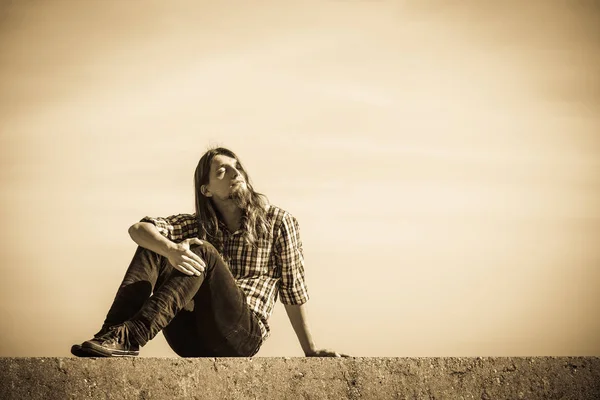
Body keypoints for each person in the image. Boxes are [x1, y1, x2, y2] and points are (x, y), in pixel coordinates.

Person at [71, 147, 345, 358]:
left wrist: (311, 349)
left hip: (241, 335)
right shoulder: (196, 224)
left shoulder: (278, 222)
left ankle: (132, 336)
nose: (236, 173)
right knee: (157, 244)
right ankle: (112, 334)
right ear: (207, 190)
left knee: (201, 250)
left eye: (237, 168)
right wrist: (170, 249)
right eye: (222, 171)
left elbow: (292, 290)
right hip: (190, 337)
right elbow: (137, 229)